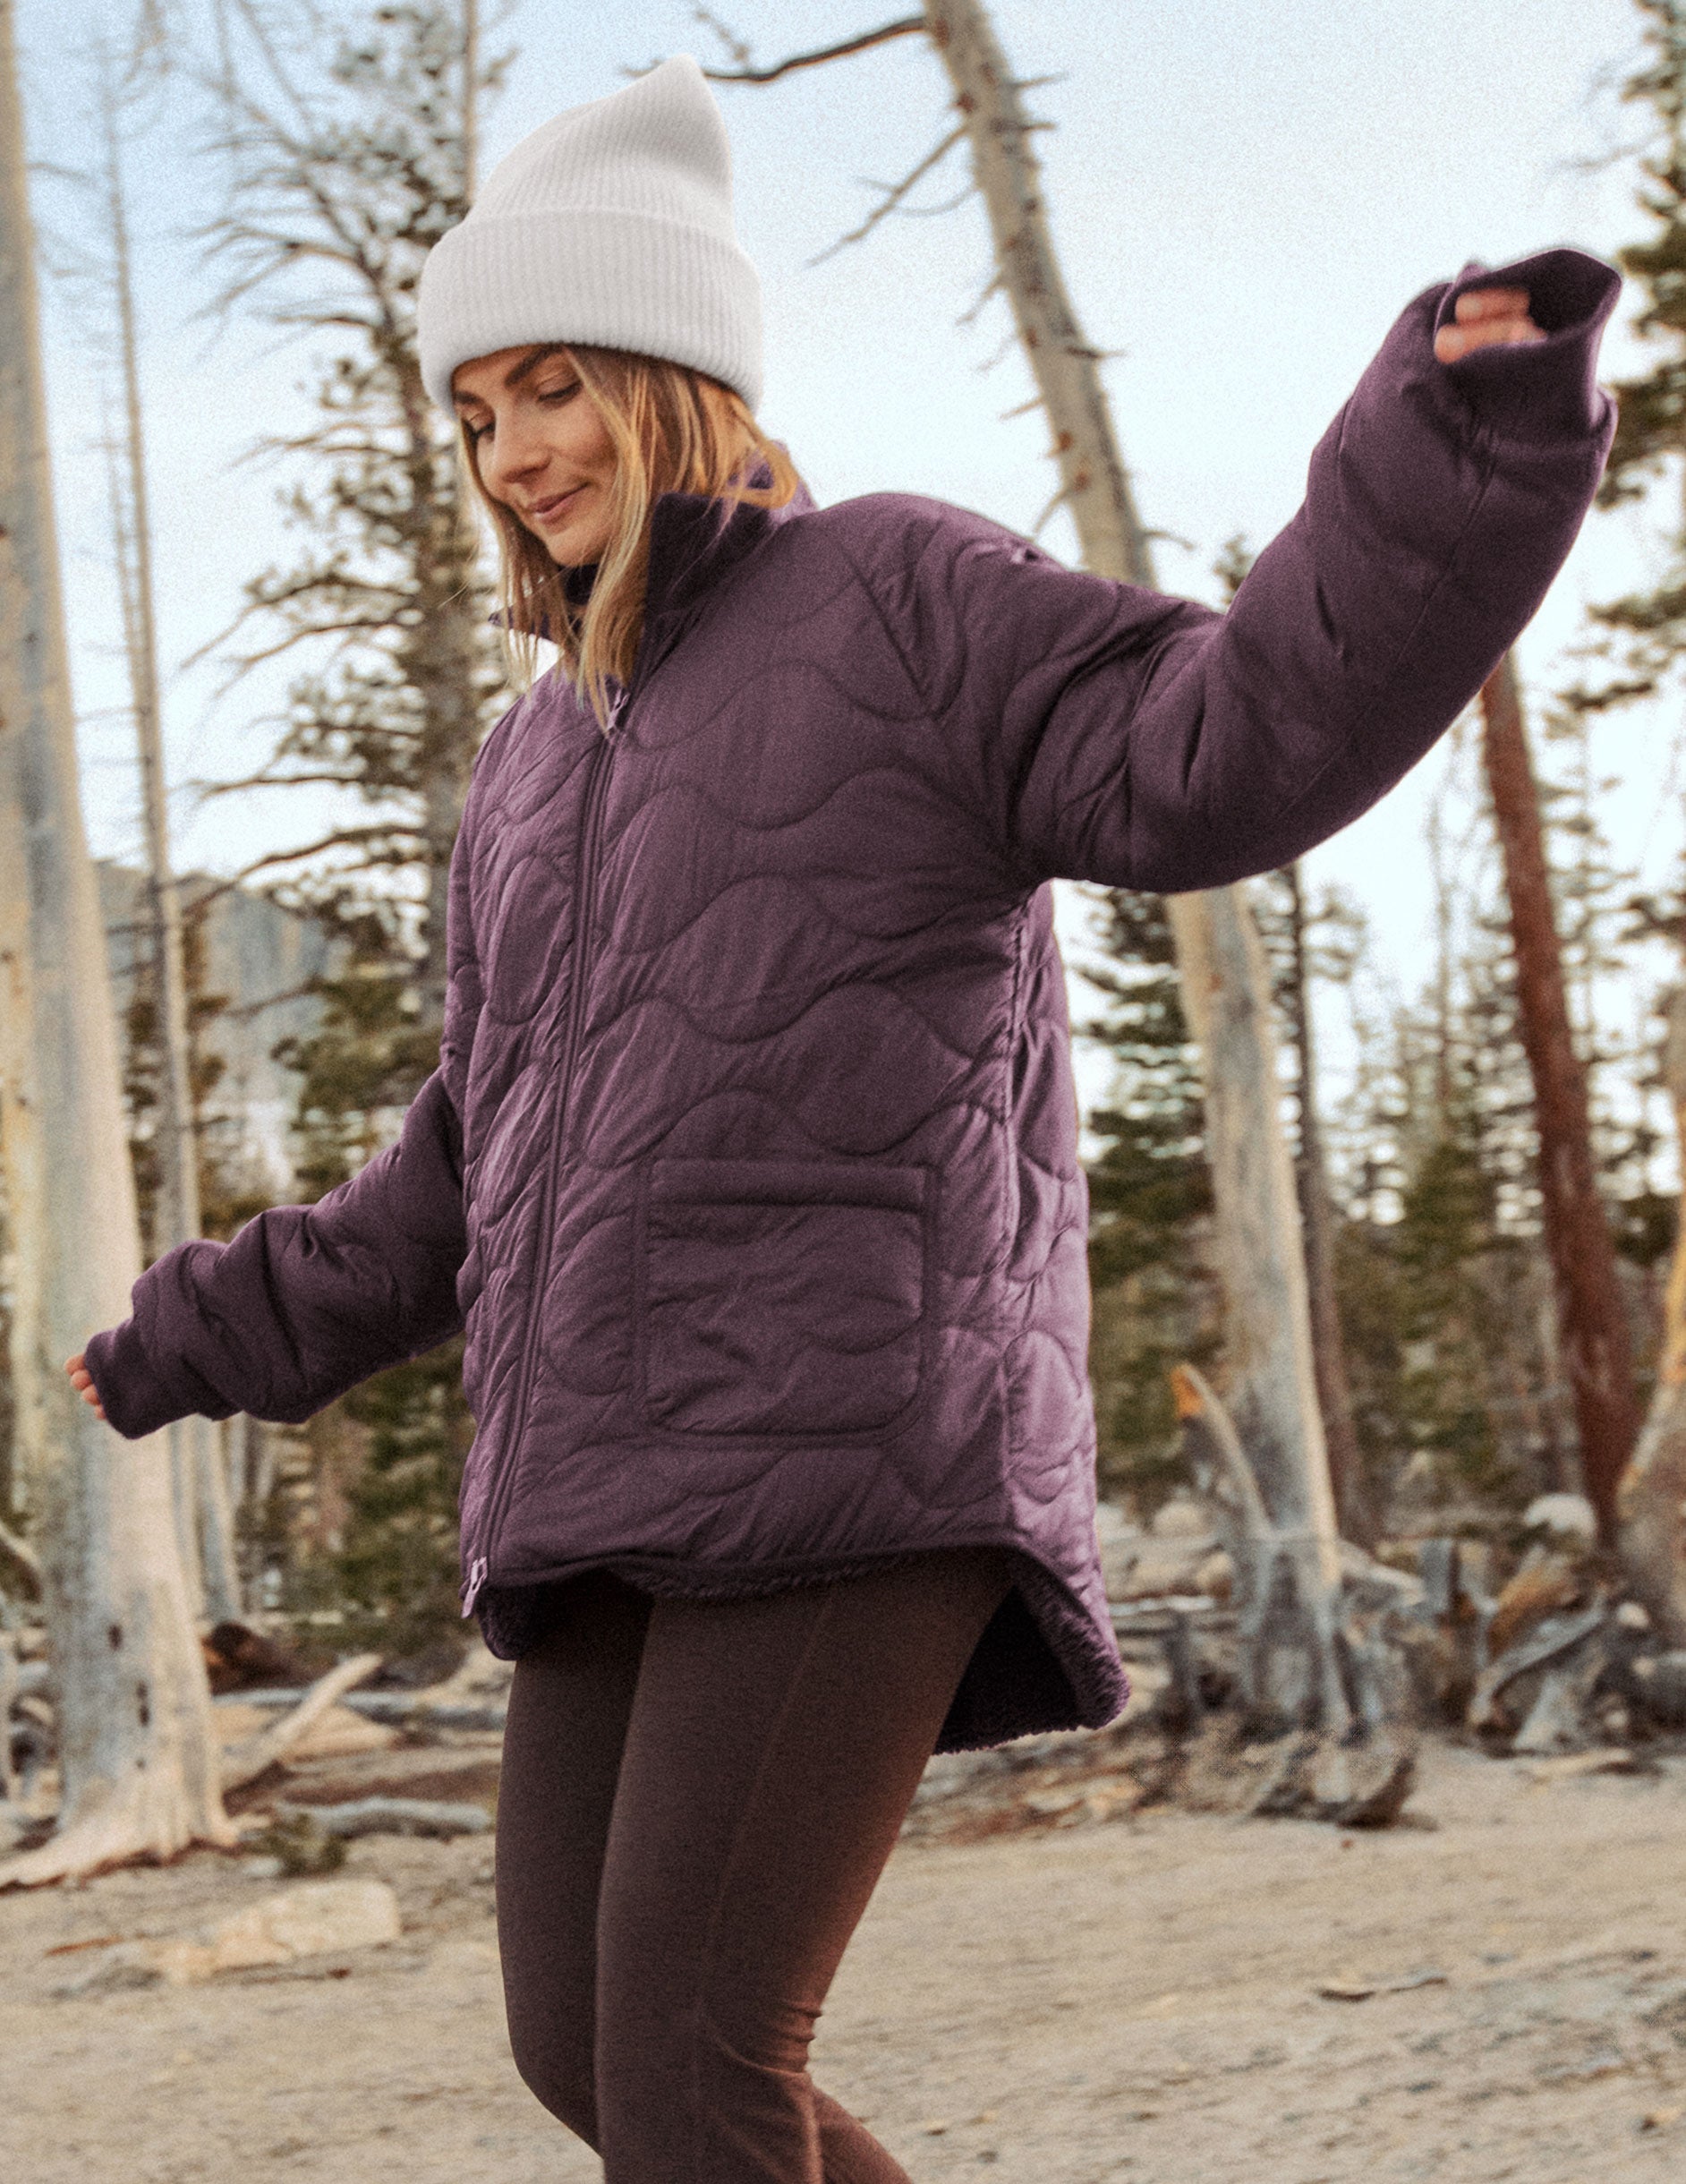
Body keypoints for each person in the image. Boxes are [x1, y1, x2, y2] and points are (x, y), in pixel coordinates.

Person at [68, 53, 1620, 2184]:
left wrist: (1449, 443)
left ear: (675, 372)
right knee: (592, 2055)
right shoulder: (533, 769)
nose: (515, 452)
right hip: (613, 1476)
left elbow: (1223, 742)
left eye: (555, 386)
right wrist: (197, 1328)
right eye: (477, 410)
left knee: (695, 2069)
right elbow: (467, 1161)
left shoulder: (897, 599)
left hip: (851, 1447)